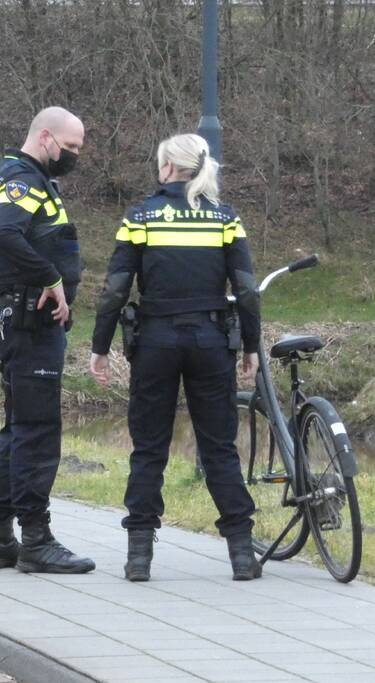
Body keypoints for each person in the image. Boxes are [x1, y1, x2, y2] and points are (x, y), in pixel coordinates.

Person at [89, 133, 262, 582]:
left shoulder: (140, 216)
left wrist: (100, 347)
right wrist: (250, 347)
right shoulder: (225, 218)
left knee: (149, 448)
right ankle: (242, 555)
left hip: (156, 344)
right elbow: (245, 289)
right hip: (210, 342)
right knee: (220, 446)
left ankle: (139, 558)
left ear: (167, 167)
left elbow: (114, 289)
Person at [0, 107, 95, 574]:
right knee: (37, 431)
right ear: (44, 137)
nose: (74, 157)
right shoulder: (23, 179)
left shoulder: (9, 177)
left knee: (17, 427)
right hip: (28, 317)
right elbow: (5, 234)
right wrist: (50, 277)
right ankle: (36, 539)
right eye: (70, 148)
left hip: (16, 313)